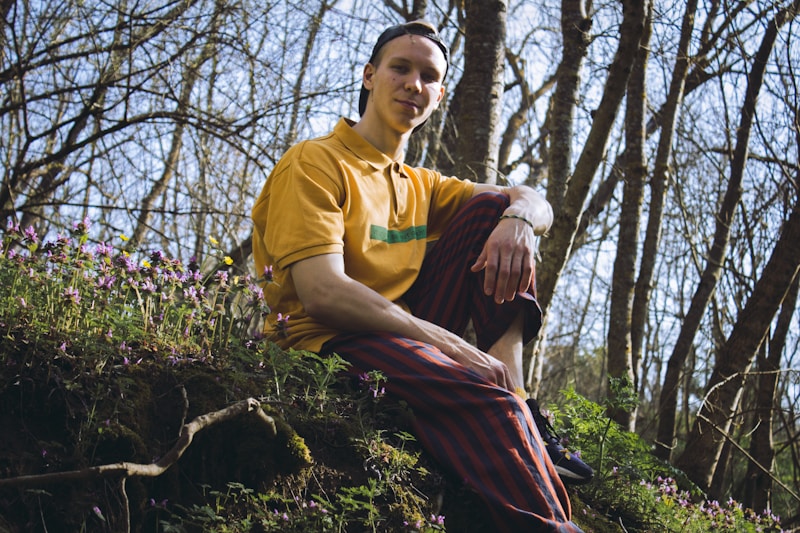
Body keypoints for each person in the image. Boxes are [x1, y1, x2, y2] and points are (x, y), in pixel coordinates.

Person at [252, 20, 591, 532]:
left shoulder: (422, 185)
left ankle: (522, 407)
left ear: (439, 94)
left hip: (399, 334)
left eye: (429, 76)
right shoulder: (316, 161)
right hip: (324, 341)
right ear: (369, 76)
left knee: (491, 215)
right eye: (400, 68)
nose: (414, 83)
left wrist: (519, 221)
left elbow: (533, 200)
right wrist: (451, 347)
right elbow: (322, 294)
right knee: (483, 394)